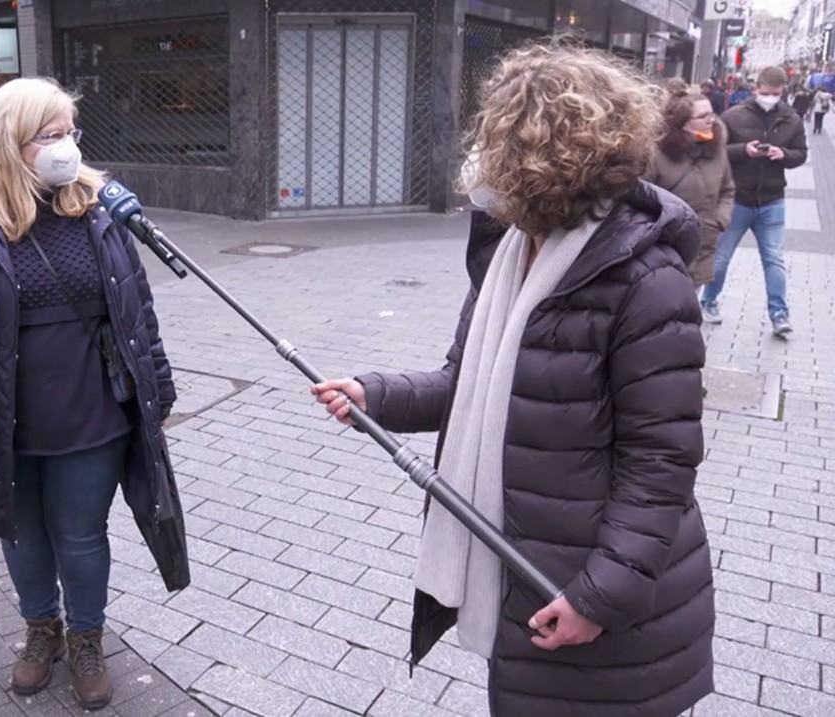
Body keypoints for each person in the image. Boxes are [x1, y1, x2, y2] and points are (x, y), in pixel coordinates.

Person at [313, 44, 713, 717]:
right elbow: (465, 382)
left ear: (545, 160)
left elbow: (661, 463)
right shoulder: (512, 250)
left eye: (498, 142)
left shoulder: (647, 282)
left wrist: (600, 596)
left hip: (597, 596)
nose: (482, 162)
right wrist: (374, 395)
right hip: (525, 567)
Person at [0, 77, 189, 711]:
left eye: (70, 133)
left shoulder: (96, 205)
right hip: (2, 414)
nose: (66, 146)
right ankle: (41, 629)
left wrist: (158, 389)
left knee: (81, 534)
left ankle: (87, 636)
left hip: (93, 410)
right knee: (23, 534)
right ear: (11, 141)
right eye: (50, 135)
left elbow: (136, 307)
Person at [701, 65, 807, 337]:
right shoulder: (734, 116)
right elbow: (715, 151)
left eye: (776, 93)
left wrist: (782, 154)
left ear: (783, 90)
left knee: (774, 259)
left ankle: (779, 315)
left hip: (772, 200)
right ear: (756, 87)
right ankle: (709, 302)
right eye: (766, 92)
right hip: (738, 198)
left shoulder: (791, 119)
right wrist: (743, 151)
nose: (771, 97)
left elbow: (801, 154)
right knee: (721, 257)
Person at [646, 80, 734, 289]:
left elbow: (728, 190)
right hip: (665, 249)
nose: (711, 120)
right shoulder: (657, 154)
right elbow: (641, 198)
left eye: (712, 114)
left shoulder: (717, 150)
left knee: (690, 306)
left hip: (703, 245)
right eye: (703, 116)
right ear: (684, 122)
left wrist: (719, 219)